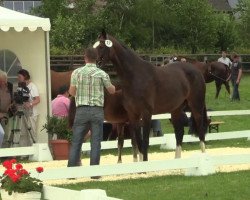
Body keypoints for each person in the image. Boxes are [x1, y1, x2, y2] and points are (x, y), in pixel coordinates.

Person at [67, 47, 115, 172]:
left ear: (85, 57)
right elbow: (111, 90)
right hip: (97, 111)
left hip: (81, 110)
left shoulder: (76, 73)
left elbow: (71, 92)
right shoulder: (102, 74)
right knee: (96, 142)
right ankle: (94, 172)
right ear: (97, 58)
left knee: (76, 141)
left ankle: (71, 171)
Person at [16, 69, 40, 147]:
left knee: (31, 133)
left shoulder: (32, 86)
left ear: (25, 76)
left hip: (31, 113)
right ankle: (24, 152)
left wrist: (30, 103)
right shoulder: (20, 87)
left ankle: (33, 151)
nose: (18, 78)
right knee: (23, 133)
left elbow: (38, 99)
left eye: (19, 77)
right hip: (23, 112)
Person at [0, 70, 13, 148]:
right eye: (1, 81)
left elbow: (13, 98)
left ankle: (4, 152)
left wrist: (11, 105)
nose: (2, 83)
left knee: (6, 133)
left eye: (3, 81)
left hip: (6, 114)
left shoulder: (10, 85)